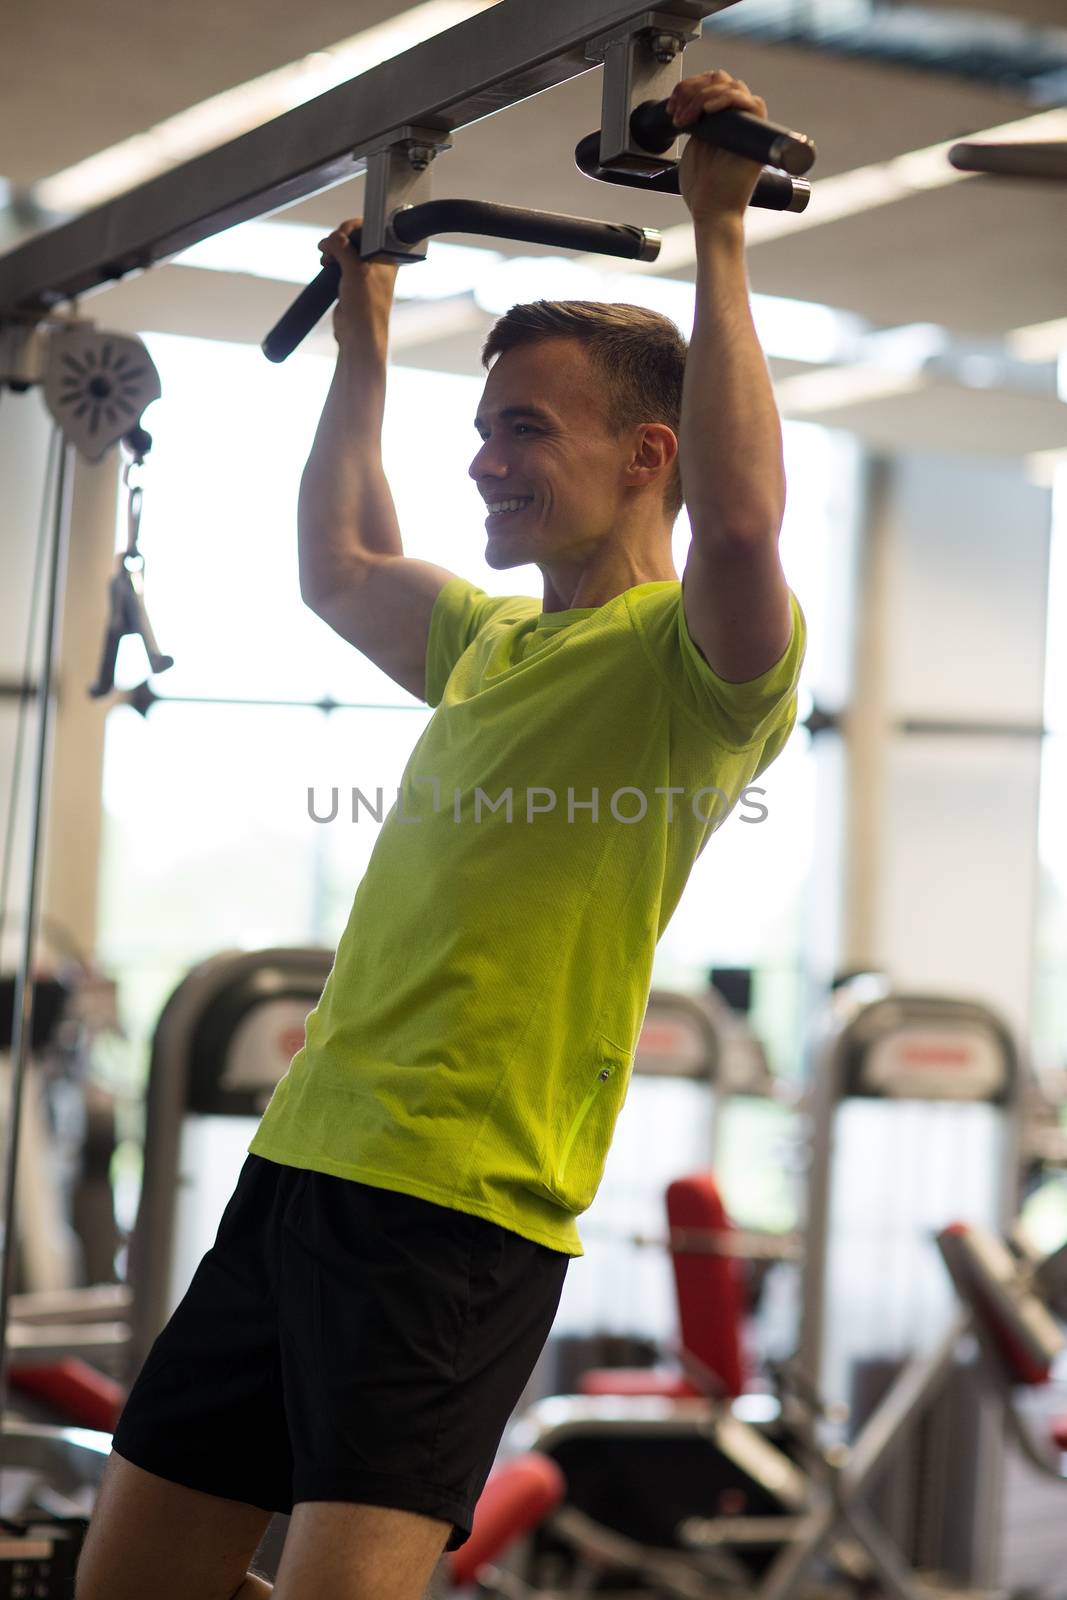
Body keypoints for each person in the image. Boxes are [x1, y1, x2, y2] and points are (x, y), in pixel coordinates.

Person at [76, 67, 806, 1600]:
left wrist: (720, 236)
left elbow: (746, 528)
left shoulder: (696, 670)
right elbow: (340, 563)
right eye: (479, 429)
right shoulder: (488, 642)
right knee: (126, 1583)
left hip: (457, 1213)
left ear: (645, 456)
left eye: (523, 431)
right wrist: (366, 341)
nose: (482, 460)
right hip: (302, 1171)